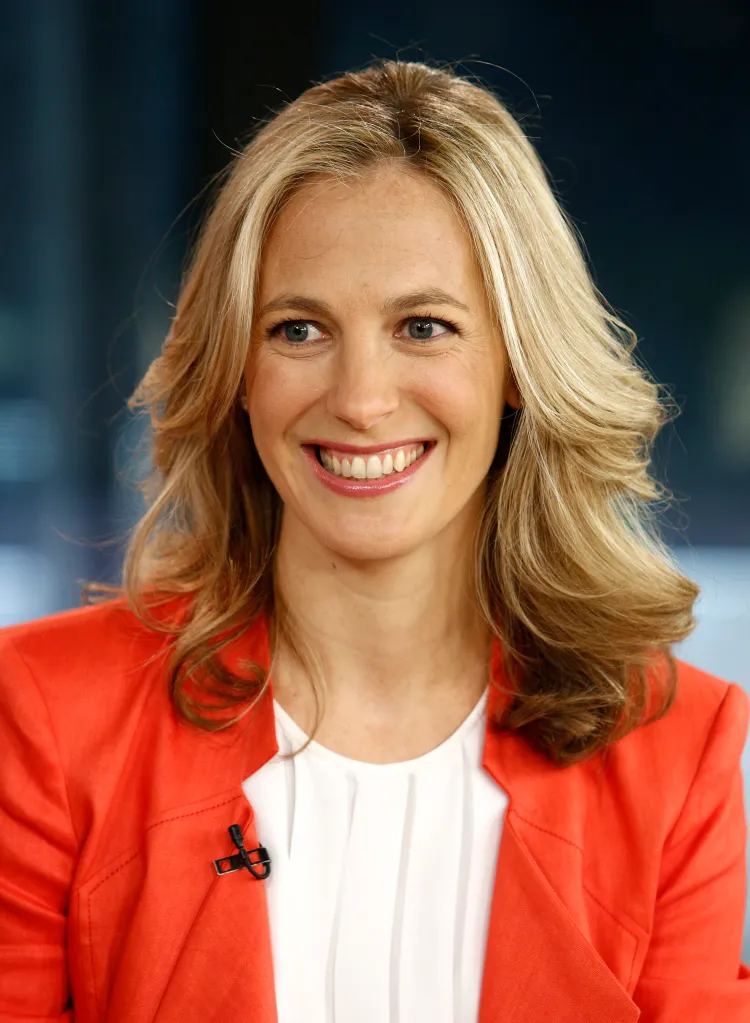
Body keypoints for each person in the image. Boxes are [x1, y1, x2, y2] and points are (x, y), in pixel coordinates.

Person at [0, 59, 747, 1022]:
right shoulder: (42, 718)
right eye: (299, 329)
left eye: (424, 327)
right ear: (236, 368)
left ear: (519, 363)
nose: (358, 400)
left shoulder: (675, 747)